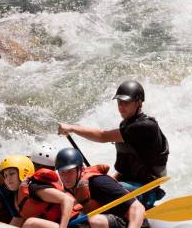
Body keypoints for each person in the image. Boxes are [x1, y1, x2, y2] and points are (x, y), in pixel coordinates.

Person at [58, 80, 169, 208]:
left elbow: (102, 136)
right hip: (128, 184)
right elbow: (126, 165)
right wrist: (109, 180)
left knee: (95, 189)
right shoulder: (126, 124)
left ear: (139, 102)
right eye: (119, 102)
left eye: (126, 102)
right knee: (87, 183)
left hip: (145, 190)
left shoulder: (145, 126)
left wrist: (72, 128)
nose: (121, 106)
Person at [22, 148, 150, 228]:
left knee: (96, 220)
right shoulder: (66, 187)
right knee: (32, 224)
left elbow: (137, 206)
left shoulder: (99, 182)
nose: (65, 177)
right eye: (62, 172)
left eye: (70, 171)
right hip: (97, 227)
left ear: (80, 170)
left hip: (131, 227)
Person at [0, 143, 58, 221]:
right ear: (31, 162)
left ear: (53, 169)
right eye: (36, 165)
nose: (40, 171)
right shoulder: (19, 169)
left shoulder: (51, 181)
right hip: (5, 206)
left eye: (46, 168)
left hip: (23, 214)